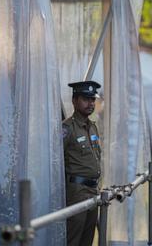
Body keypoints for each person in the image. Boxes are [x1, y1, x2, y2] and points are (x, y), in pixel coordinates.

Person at [63, 80, 102, 246]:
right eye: (86, 99)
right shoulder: (67, 128)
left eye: (93, 99)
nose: (91, 103)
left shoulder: (92, 127)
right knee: (74, 238)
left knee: (88, 239)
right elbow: (57, 161)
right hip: (77, 191)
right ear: (74, 101)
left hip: (93, 189)